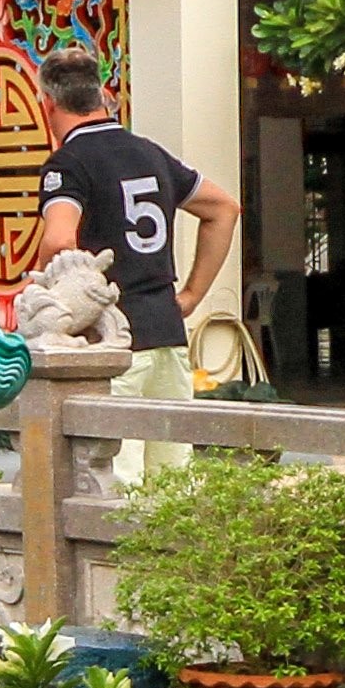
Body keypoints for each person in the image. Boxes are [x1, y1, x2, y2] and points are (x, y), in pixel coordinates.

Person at [29, 53, 237, 473]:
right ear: (104, 96)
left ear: (48, 104)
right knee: (172, 481)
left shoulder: (68, 163)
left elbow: (59, 238)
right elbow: (224, 208)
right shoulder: (150, 153)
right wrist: (192, 294)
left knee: (115, 483)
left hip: (110, 341)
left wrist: (41, 295)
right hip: (166, 332)